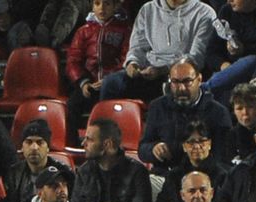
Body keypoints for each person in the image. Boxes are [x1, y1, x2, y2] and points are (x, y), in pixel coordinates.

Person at [102, 0, 218, 101]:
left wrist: (164, 69)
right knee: (111, 83)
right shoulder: (148, 9)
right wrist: (133, 63)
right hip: (147, 71)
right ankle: (107, 126)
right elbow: (138, 47)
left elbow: (196, 57)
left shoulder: (204, 12)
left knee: (175, 86)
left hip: (179, 74)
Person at [138, 59, 235, 168]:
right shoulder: (157, 107)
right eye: (175, 82)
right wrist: (153, 149)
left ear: (199, 79)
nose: (181, 88)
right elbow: (142, 149)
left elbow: (224, 157)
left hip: (205, 177)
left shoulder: (218, 112)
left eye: (187, 81)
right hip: (165, 175)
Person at [72, 118, 155, 202]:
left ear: (107, 144)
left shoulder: (136, 172)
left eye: (89, 139)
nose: (83, 143)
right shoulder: (84, 172)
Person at [67, 0, 134, 128]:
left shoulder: (124, 31)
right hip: (89, 85)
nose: (102, 8)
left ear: (115, 6)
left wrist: (109, 79)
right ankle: (72, 140)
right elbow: (73, 61)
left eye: (107, 4)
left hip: (113, 85)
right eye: (97, 4)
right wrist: (83, 82)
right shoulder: (83, 31)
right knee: (72, 104)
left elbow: (126, 58)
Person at [203, 0, 256, 99]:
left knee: (252, 60)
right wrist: (224, 65)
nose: (229, 0)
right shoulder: (226, 11)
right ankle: (203, 90)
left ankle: (202, 89)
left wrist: (242, 51)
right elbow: (211, 52)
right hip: (229, 72)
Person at [154, 122, 232, 202]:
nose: (197, 146)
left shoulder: (225, 175)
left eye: (201, 141)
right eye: (191, 142)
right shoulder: (173, 176)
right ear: (184, 146)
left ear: (209, 144)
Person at [0, 119, 59, 202]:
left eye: (40, 142)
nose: (34, 147)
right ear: (22, 147)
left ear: (48, 147)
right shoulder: (13, 173)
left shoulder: (60, 173)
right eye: (29, 142)